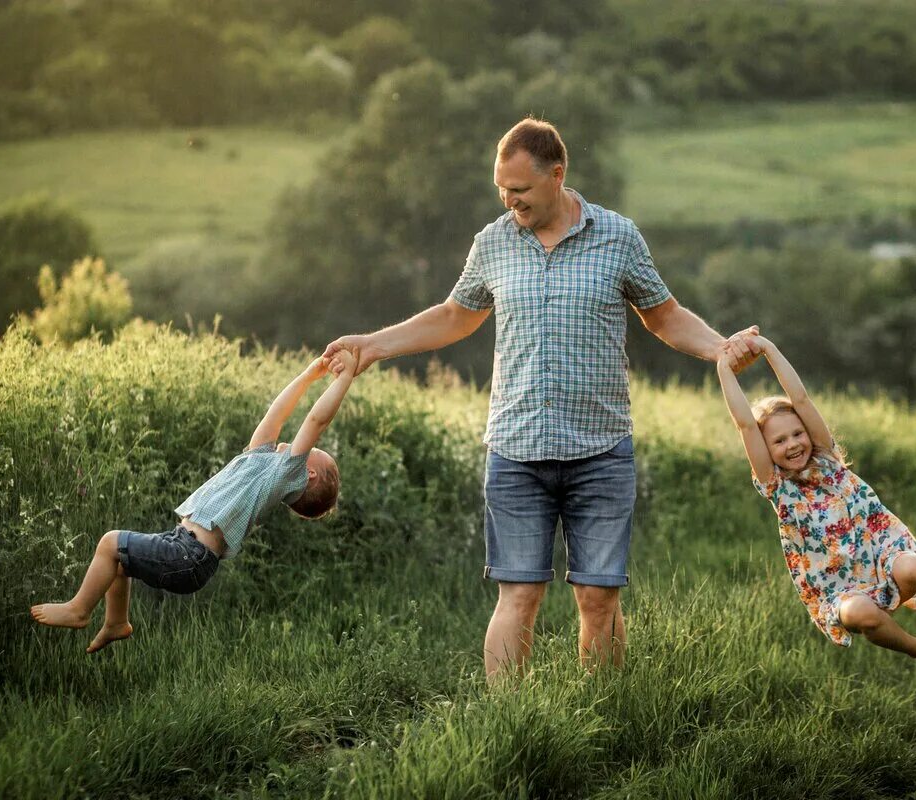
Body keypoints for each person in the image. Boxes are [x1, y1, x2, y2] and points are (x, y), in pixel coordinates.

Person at [323, 117, 760, 679]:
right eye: (502, 190)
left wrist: (721, 349)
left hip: (601, 450)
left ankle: (603, 718)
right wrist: (371, 346)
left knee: (599, 599)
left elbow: (664, 316)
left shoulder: (618, 237)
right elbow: (455, 317)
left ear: (558, 175)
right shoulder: (494, 242)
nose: (511, 202)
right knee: (519, 596)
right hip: (516, 450)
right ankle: (510, 727)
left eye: (521, 190)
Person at [30, 349, 357, 653]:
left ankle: (79, 610)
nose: (304, 445)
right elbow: (276, 413)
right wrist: (309, 375)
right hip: (183, 545)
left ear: (308, 474)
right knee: (119, 559)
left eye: (314, 452)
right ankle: (116, 623)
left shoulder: (285, 474)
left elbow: (316, 420)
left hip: (190, 556)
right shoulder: (261, 460)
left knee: (110, 542)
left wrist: (344, 377)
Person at [715, 332, 916, 658]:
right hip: (840, 591)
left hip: (882, 557)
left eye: (797, 433)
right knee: (862, 615)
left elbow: (801, 399)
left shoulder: (827, 460)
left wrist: (768, 348)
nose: (792, 444)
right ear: (765, 450)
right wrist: (724, 366)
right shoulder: (777, 487)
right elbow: (746, 425)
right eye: (779, 441)